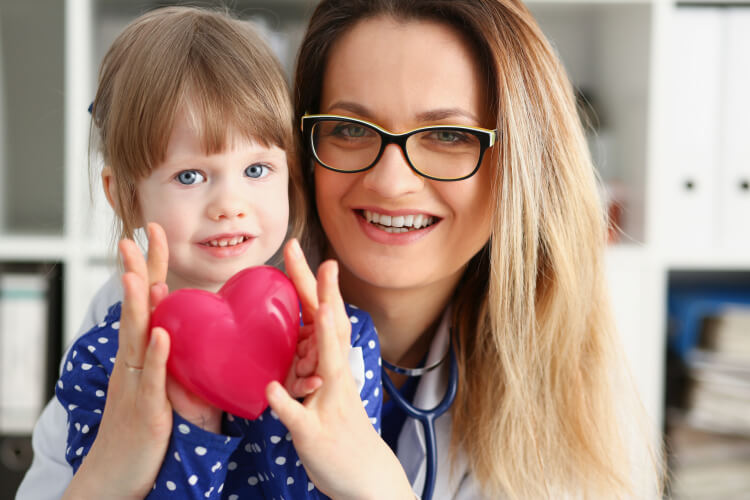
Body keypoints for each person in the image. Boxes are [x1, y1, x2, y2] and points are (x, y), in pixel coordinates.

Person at [18, 0, 662, 498]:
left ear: (521, 162)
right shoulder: (154, 314)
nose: (391, 180)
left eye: (448, 135)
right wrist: (105, 480)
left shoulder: (580, 383)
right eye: (351, 128)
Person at [41, 6, 383, 499]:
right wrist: (195, 426)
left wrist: (305, 415)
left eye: (257, 169)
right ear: (125, 197)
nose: (229, 205)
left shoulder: (340, 343)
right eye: (190, 176)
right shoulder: (102, 362)